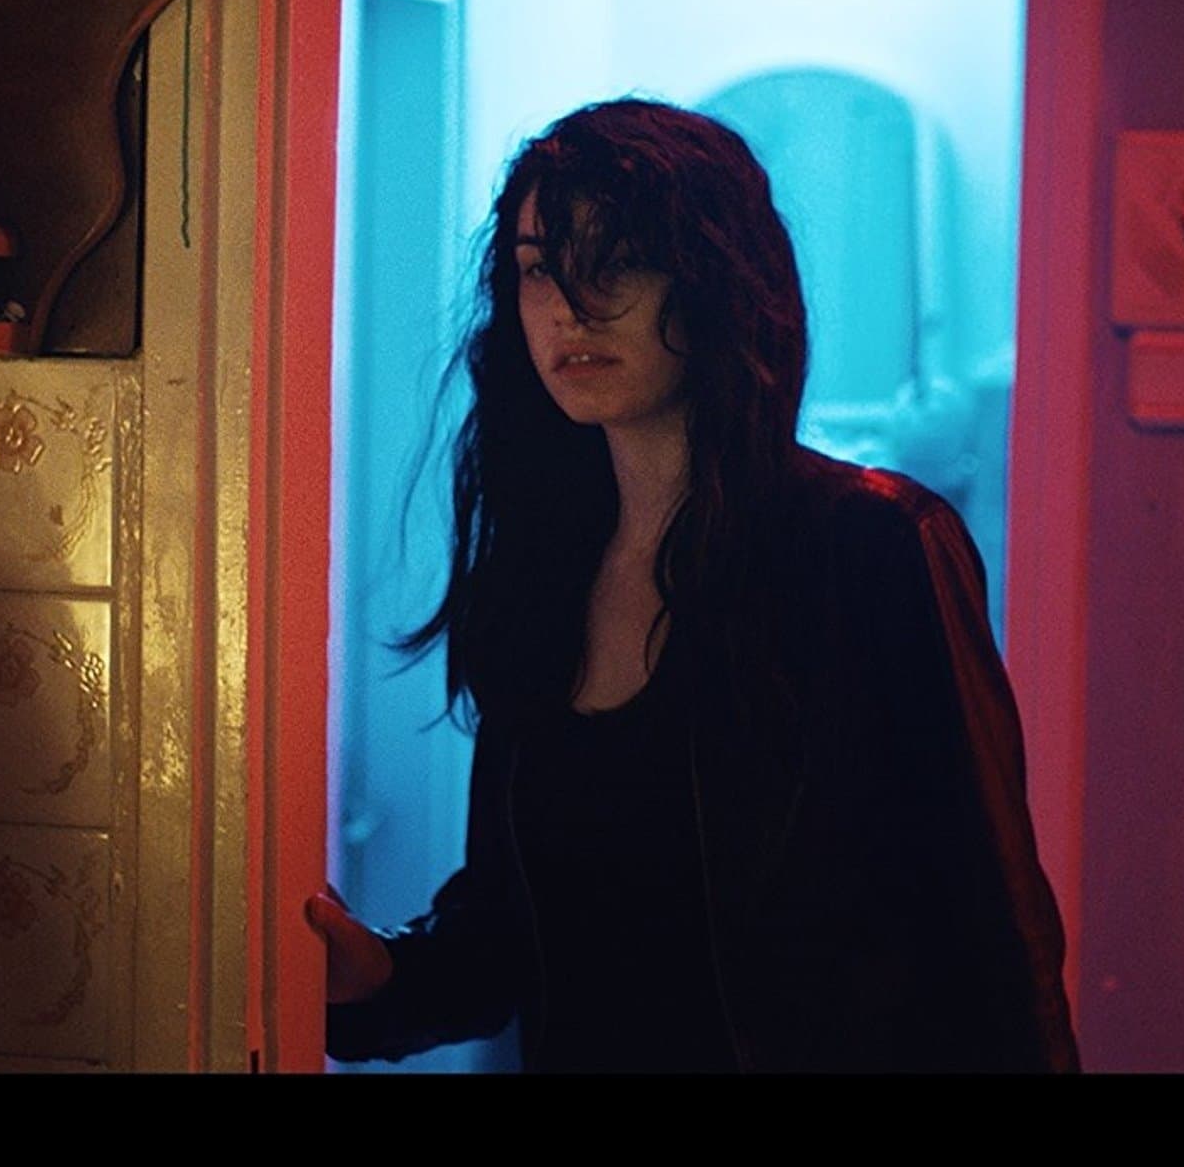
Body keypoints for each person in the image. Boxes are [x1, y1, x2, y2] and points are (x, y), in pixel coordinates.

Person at [304, 98, 1078, 1073]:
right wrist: (376, 977)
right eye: (540, 267)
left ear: (715, 280)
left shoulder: (871, 545)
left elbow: (999, 937)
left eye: (620, 258)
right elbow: (512, 933)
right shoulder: (541, 577)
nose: (572, 305)